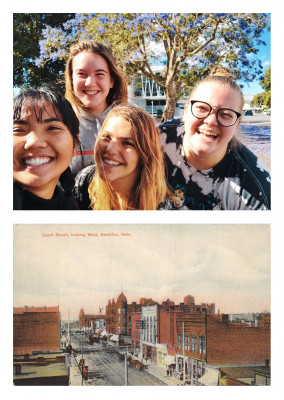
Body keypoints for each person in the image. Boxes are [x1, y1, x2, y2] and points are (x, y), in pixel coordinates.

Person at [159, 67, 271, 210]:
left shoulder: (255, 191)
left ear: (237, 125)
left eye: (225, 114)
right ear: (186, 111)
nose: (211, 121)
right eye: (202, 108)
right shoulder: (157, 139)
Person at [73, 105, 177, 210]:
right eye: (106, 137)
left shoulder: (163, 209)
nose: (110, 149)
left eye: (127, 143)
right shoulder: (84, 181)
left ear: (145, 154)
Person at [65, 40, 128, 175]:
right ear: (71, 79)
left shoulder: (132, 122)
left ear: (111, 81)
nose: (90, 82)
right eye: (82, 74)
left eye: (100, 74)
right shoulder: (59, 124)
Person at [13, 87, 80, 210]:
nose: (34, 142)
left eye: (53, 128)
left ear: (74, 145)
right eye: (18, 130)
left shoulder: (70, 205)